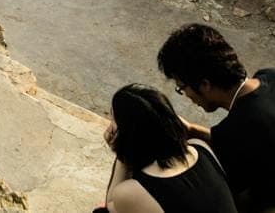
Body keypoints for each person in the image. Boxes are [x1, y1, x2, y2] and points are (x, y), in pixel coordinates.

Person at [155, 24, 275, 213]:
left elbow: (221, 195)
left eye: (182, 88)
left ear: (205, 84)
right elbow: (247, 138)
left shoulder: (240, 128)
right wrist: (192, 130)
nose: (186, 95)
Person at [101, 84, 238, 213]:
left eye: (114, 119)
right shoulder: (199, 147)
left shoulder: (131, 192)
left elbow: (112, 206)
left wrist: (122, 154)